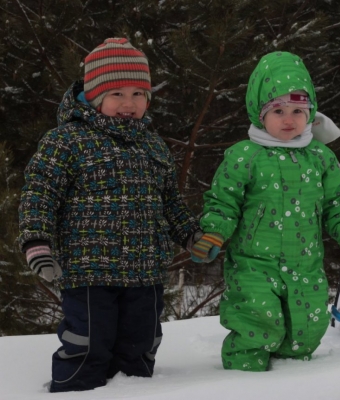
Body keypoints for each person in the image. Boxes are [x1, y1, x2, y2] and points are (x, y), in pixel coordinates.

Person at [18, 38, 205, 392]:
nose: (129, 103)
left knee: (140, 347)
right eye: (117, 93)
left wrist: (190, 234)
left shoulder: (152, 144)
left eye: (138, 93)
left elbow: (169, 202)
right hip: (89, 270)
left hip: (145, 271)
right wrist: (37, 243)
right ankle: (75, 392)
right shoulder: (67, 140)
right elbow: (40, 193)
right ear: (93, 96)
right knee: (87, 344)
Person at [191, 51, 340, 371]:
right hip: (254, 263)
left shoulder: (320, 157)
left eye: (299, 111)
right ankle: (245, 373)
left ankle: (291, 377)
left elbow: (337, 202)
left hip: (305, 261)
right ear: (260, 113)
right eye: (279, 110)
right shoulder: (245, 156)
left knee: (309, 326)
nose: (289, 119)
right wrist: (214, 232)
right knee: (258, 319)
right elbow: (224, 201)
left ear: (311, 113)